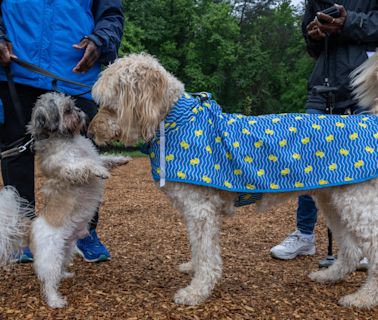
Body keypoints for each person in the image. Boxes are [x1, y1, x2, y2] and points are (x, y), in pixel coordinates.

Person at [0, 1, 124, 263]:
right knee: (16, 153)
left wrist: (101, 40)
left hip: (76, 72)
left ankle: (83, 229)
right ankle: (24, 232)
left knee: (84, 153)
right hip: (15, 68)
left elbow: (111, 14)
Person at [270, 1, 378, 264]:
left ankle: (364, 242)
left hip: (361, 87)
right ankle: (304, 235)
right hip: (322, 87)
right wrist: (314, 35)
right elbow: (312, 49)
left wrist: (347, 21)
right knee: (309, 164)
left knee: (361, 170)